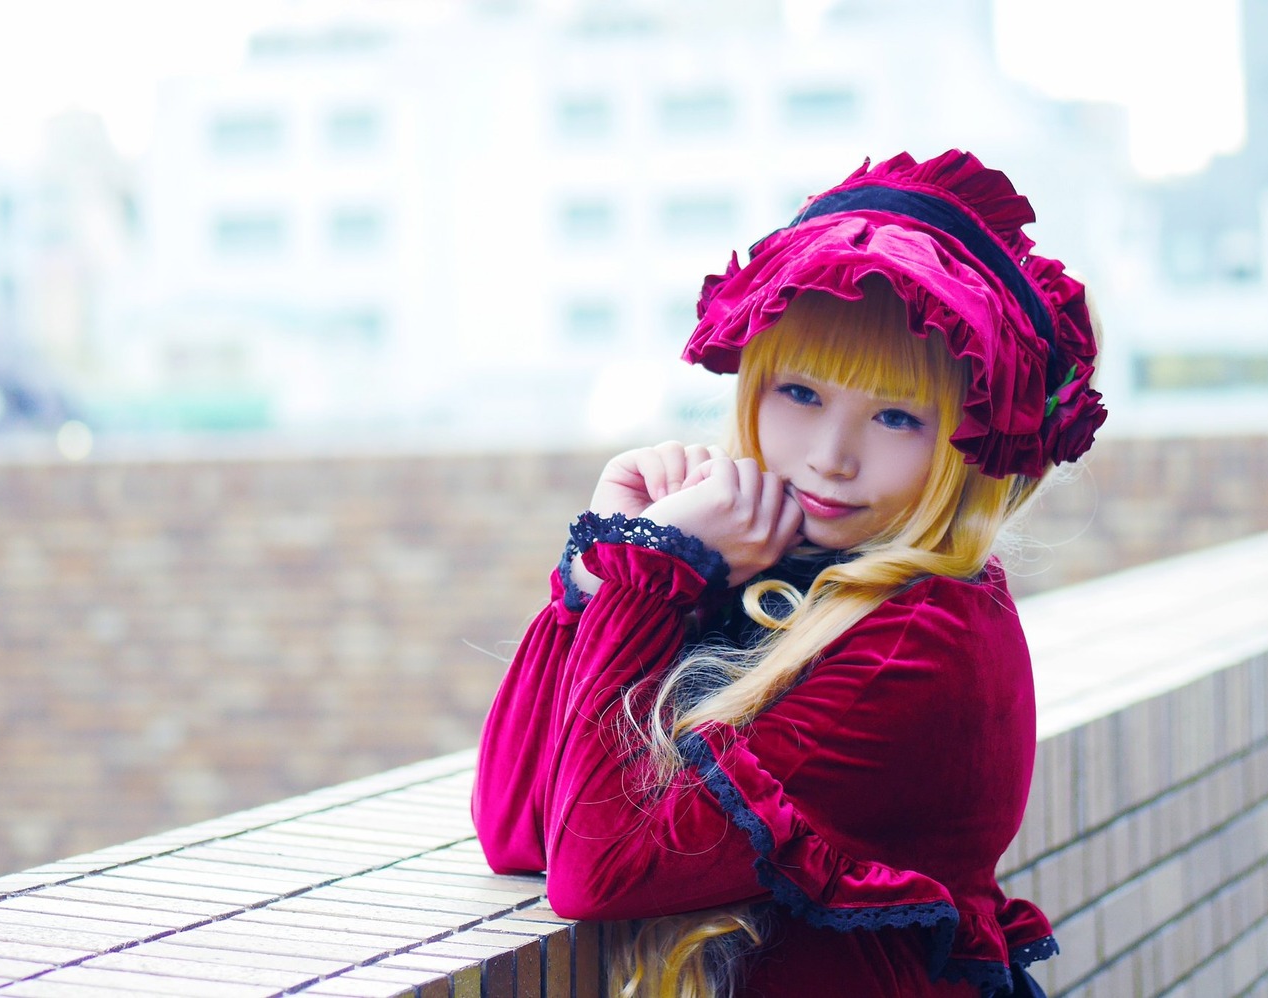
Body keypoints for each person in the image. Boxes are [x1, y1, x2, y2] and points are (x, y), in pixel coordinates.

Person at [471, 150, 1107, 997]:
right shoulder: (767, 566)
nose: (831, 460)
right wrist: (603, 571)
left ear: (967, 439)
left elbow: (597, 874)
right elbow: (516, 828)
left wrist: (649, 573)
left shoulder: (922, 636)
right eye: (801, 394)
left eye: (895, 416)